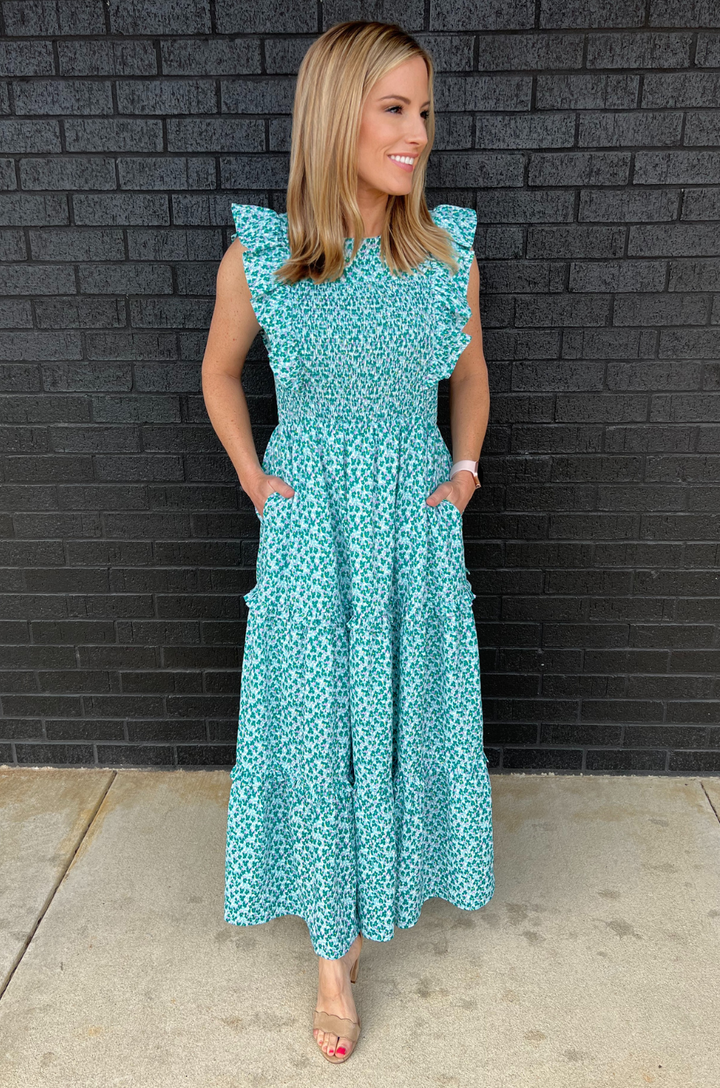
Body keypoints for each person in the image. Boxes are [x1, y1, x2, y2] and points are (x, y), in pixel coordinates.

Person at [201, 19, 494, 1065]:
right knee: (321, 728)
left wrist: (464, 473)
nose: (418, 132)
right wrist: (253, 476)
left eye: (425, 111)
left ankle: (374, 898)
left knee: (401, 716)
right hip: (312, 524)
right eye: (395, 108)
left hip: (414, 522)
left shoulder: (446, 250)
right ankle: (334, 956)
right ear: (336, 116)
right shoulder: (267, 255)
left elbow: (471, 375)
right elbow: (218, 372)